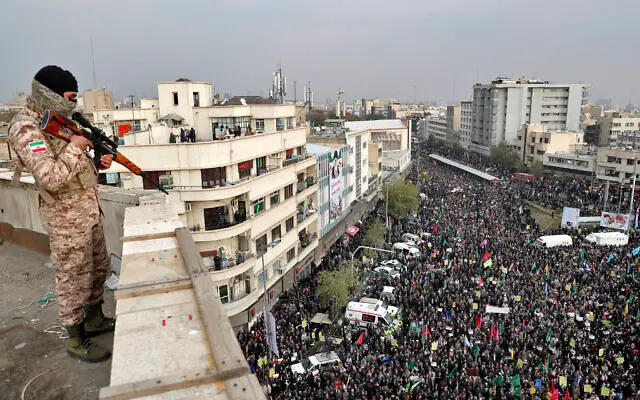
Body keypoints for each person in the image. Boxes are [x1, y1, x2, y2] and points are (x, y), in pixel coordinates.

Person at [8, 66, 114, 363]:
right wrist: (76, 149)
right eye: (69, 97)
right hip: (65, 219)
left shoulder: (60, 121)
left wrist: (98, 162)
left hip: (89, 210)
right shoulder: (26, 128)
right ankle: (76, 338)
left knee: (97, 268)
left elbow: (77, 167)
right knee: (72, 279)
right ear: (49, 94)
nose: (73, 104)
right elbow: (50, 177)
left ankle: (94, 320)